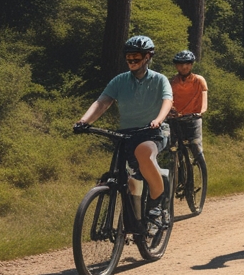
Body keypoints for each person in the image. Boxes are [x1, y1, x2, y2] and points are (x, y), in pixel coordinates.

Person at [75, 35, 173, 223]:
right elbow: (103, 102)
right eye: (128, 58)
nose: (131, 61)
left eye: (136, 57)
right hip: (127, 134)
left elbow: (167, 101)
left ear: (147, 57)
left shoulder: (160, 80)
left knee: (144, 152)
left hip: (153, 131)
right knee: (127, 177)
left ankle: (156, 205)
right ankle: (130, 220)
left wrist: (158, 119)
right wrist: (84, 121)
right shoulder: (119, 80)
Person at [169, 49, 208, 167]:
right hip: (176, 119)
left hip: (194, 118)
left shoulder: (199, 80)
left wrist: (201, 112)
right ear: (176, 66)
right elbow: (167, 100)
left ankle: (202, 168)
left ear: (191, 65)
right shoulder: (172, 82)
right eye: (180, 64)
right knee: (172, 147)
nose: (184, 67)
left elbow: (204, 97)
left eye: (187, 63)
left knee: (196, 144)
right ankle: (176, 175)